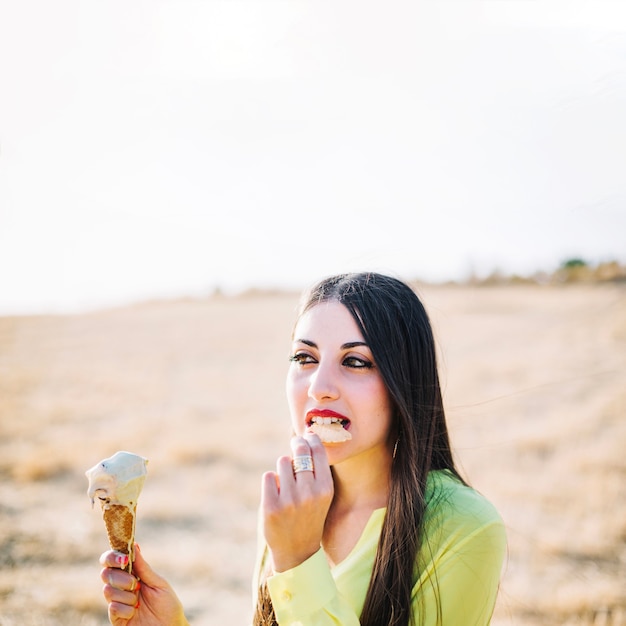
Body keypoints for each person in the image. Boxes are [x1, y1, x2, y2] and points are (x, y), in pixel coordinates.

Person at [99, 272, 507, 626]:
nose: (318, 387)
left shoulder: (465, 526)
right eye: (304, 357)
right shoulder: (290, 501)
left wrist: (298, 560)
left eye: (356, 361)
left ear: (405, 381)